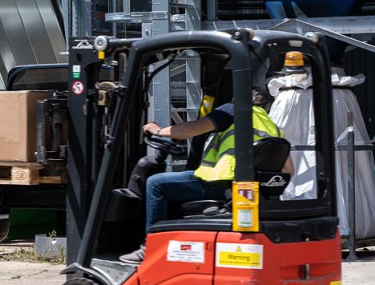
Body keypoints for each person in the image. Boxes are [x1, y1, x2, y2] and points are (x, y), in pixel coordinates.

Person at [119, 85, 293, 264]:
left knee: (156, 184)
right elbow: (289, 171)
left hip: (220, 182)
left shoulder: (233, 110)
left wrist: (158, 130)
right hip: (243, 193)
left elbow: (191, 130)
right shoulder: (273, 127)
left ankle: (150, 248)